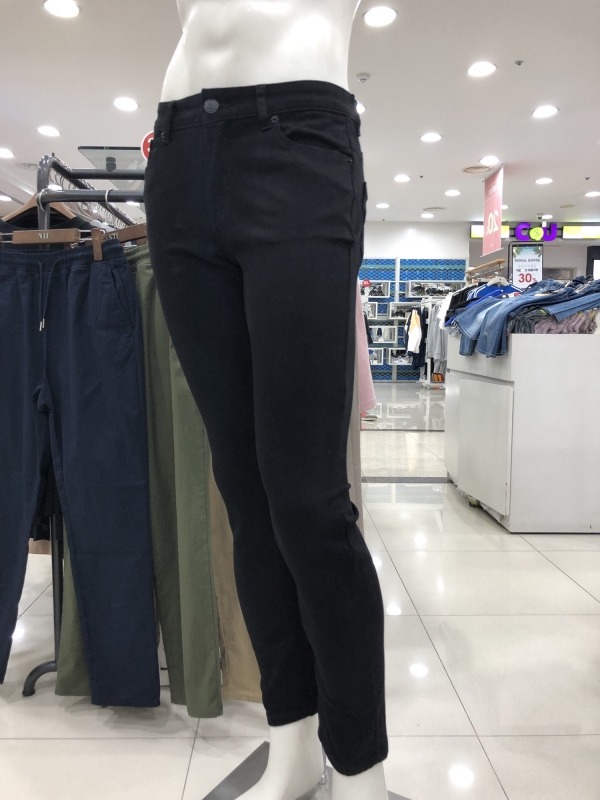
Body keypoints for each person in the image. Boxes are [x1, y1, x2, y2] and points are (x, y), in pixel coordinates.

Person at [143, 2, 389, 798]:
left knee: (308, 503)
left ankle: (360, 768)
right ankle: (292, 742)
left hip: (299, 142)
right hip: (178, 154)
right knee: (246, 495)